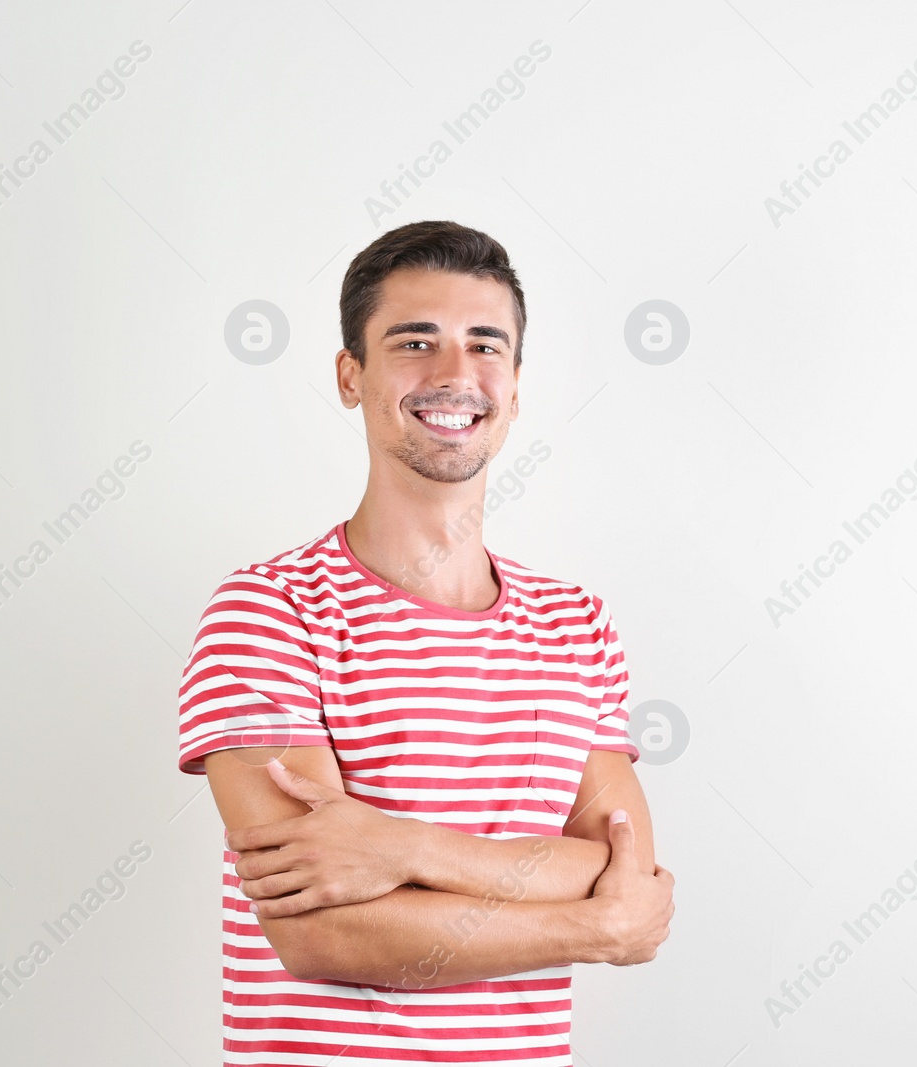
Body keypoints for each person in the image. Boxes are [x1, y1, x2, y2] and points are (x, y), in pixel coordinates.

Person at [178, 219, 675, 1065]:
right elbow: (323, 933)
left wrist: (402, 847)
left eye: (486, 345)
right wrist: (592, 924)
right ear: (350, 375)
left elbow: (620, 863)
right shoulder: (268, 611)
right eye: (416, 341)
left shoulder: (576, 624)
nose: (455, 374)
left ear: (515, 385)